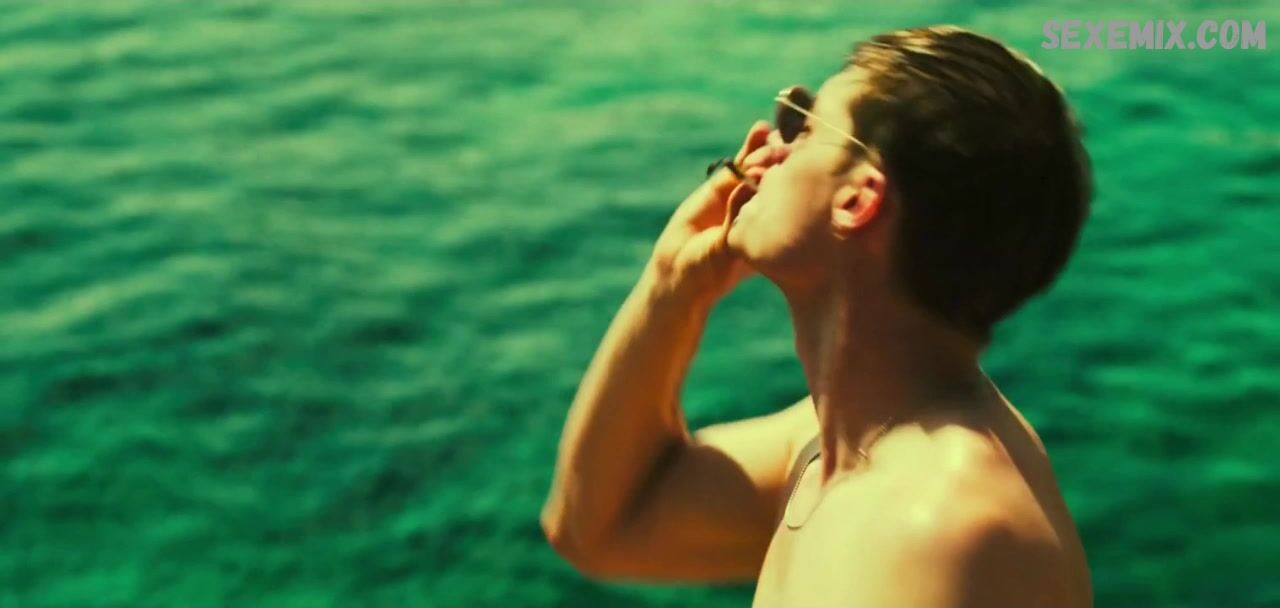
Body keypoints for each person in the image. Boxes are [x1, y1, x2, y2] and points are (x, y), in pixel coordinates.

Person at [542, 26, 1093, 607]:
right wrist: (672, 285)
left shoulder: (943, 532)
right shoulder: (838, 443)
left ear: (857, 199)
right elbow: (596, 529)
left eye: (802, 126)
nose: (765, 148)